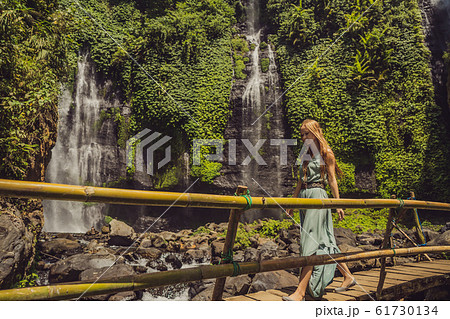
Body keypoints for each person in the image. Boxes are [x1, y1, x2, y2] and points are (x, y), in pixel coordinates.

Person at [283, 119, 356, 301]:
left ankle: (300, 292)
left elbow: (332, 180)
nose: (303, 137)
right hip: (305, 198)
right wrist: (292, 204)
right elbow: (300, 181)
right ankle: (348, 276)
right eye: (301, 134)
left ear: (315, 132)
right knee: (323, 240)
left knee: (310, 242)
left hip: (318, 195)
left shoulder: (326, 153)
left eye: (306, 133)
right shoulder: (306, 154)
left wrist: (337, 204)